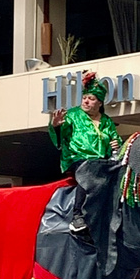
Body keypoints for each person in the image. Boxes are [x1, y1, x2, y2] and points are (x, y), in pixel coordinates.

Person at [49, 70, 121, 233]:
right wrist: (56, 125)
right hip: (78, 159)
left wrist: (115, 145)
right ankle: (77, 216)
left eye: (91, 99)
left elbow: (114, 141)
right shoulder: (73, 115)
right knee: (87, 170)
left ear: (100, 103)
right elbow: (61, 136)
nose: (86, 102)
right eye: (85, 98)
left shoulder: (107, 121)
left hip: (102, 161)